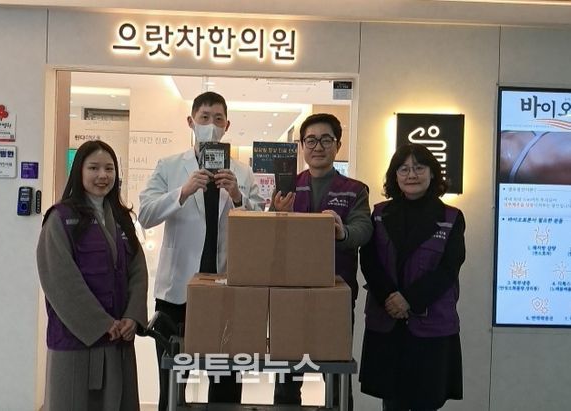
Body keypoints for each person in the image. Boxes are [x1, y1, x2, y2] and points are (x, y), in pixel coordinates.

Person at [138, 91, 263, 411]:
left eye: (218, 119)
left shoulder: (242, 172)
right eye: (204, 117)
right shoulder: (169, 166)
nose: (211, 124)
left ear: (227, 126)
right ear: (191, 122)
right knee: (173, 383)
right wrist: (182, 192)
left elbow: (260, 227)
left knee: (226, 382)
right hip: (176, 292)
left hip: (226, 291)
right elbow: (146, 214)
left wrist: (238, 197)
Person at [37, 140, 148, 410]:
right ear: (79, 171)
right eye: (94, 168)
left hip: (118, 338)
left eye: (109, 169)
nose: (102, 175)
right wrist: (100, 323)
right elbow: (60, 281)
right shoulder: (60, 219)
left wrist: (132, 316)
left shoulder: (122, 218)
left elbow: (138, 270)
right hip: (76, 340)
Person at [272, 113, 373, 411]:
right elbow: (269, 238)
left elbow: (363, 229)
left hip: (336, 293)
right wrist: (278, 214)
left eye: (326, 140)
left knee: (337, 376)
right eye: (311, 140)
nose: (318, 147)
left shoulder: (354, 189)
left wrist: (342, 232)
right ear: (302, 146)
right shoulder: (288, 186)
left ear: (338, 145)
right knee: (287, 377)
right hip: (290, 293)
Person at [358, 143, 466, 411]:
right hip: (388, 322)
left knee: (427, 401)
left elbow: (449, 268)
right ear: (395, 176)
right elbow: (369, 259)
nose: (411, 175)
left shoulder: (451, 217)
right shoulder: (380, 213)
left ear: (432, 173)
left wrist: (409, 299)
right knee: (391, 401)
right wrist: (390, 298)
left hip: (430, 326)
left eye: (419, 168)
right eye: (403, 169)